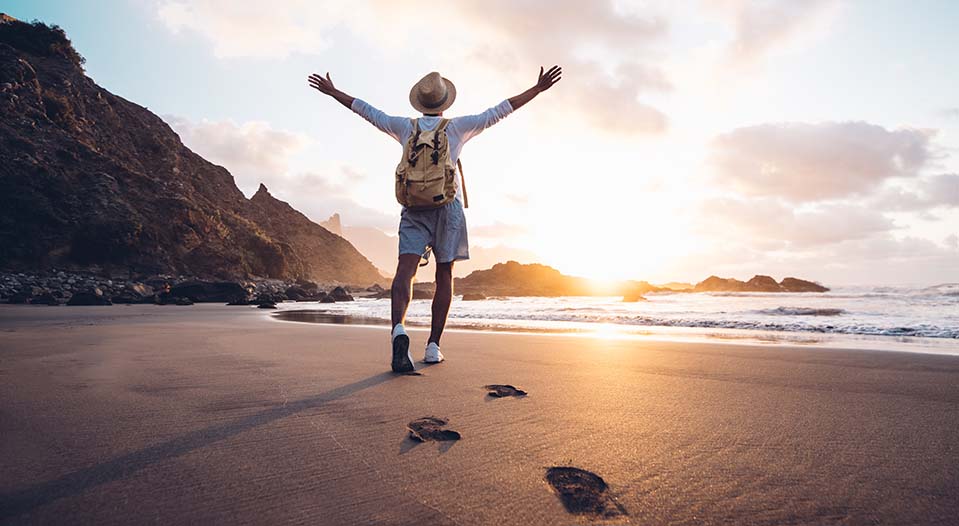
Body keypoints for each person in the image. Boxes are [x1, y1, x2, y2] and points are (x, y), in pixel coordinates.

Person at [308, 65, 562, 372]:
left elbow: (368, 111)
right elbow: (499, 111)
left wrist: (334, 92)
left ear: (420, 102)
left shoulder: (404, 127)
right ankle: (432, 346)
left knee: (406, 270)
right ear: (444, 104)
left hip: (414, 208)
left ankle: (399, 330)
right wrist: (536, 90)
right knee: (445, 274)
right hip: (447, 208)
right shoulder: (457, 128)